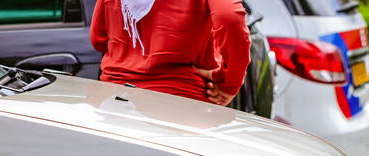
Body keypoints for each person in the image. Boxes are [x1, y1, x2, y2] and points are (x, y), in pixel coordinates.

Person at [90, 0, 251, 106]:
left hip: (113, 100)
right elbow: (229, 17)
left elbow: (98, 38)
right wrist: (229, 84)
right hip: (180, 106)